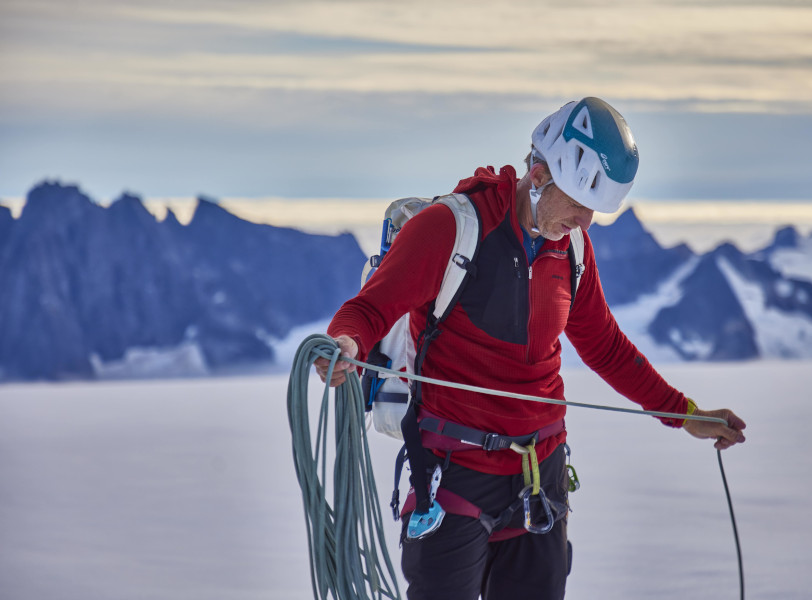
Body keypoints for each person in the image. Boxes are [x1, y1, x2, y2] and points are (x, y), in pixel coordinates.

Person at [315, 97, 747, 600]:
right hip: (454, 476)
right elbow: (369, 310)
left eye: (595, 210)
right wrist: (345, 343)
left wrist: (684, 413)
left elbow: (604, 345)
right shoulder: (451, 228)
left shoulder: (574, 251)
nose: (585, 222)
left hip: (539, 482)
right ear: (538, 175)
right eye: (579, 204)